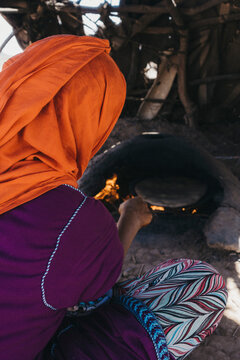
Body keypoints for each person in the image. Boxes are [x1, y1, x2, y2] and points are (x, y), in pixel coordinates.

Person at [0, 35, 227, 360]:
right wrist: (130, 219)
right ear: (93, 117)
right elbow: (91, 299)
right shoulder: (71, 220)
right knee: (201, 285)